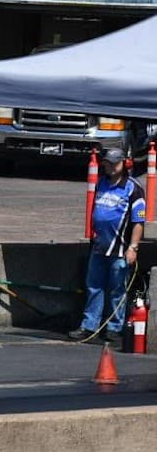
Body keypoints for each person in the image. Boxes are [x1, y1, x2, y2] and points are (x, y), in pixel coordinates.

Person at [70, 146, 146, 342]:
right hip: (99, 246)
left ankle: (114, 327)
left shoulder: (134, 189)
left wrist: (133, 247)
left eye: (115, 163)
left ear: (125, 164)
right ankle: (89, 325)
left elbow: (139, 222)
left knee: (117, 288)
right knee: (94, 286)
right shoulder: (101, 183)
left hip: (120, 248)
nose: (110, 167)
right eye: (108, 163)